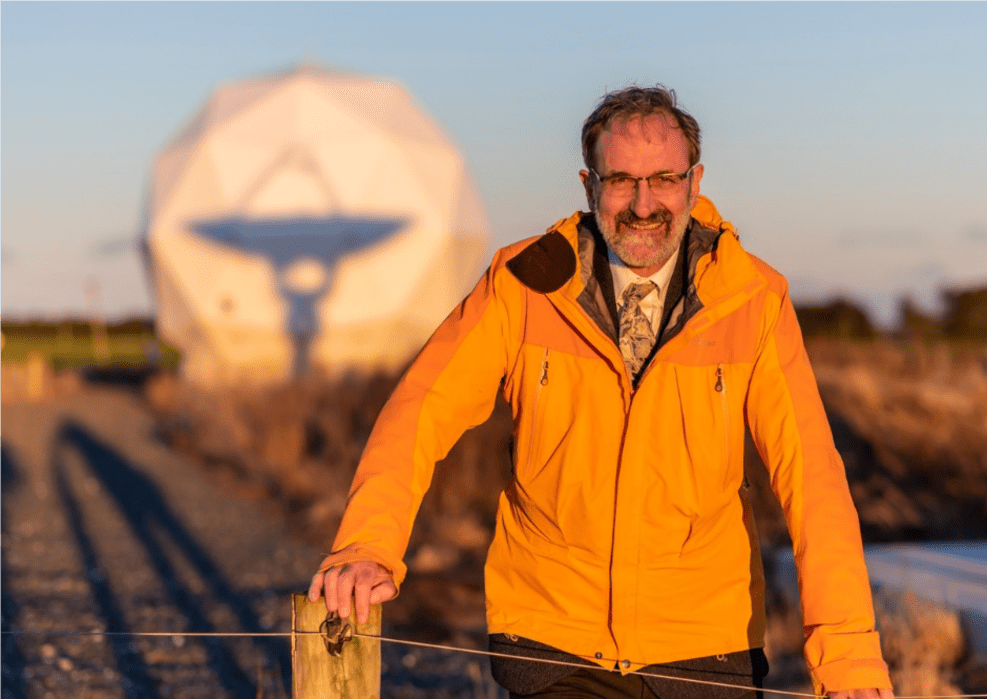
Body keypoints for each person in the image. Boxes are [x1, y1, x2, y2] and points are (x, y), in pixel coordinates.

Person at [309, 86, 894, 699]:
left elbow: (813, 480)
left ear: (694, 183)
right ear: (589, 185)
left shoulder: (754, 300)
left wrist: (847, 654)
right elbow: (420, 410)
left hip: (706, 648)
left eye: (663, 179)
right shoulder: (523, 285)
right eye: (621, 180)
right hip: (555, 643)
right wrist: (367, 544)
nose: (644, 204)